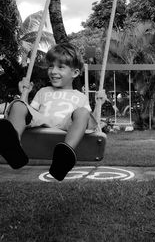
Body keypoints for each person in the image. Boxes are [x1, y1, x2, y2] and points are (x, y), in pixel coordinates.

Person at [0, 43, 106, 181]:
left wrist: (98, 104)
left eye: (60, 67)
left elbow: (93, 125)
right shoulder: (43, 91)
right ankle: (14, 146)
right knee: (19, 105)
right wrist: (24, 93)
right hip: (43, 122)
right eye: (51, 66)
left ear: (75, 73)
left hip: (66, 125)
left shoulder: (80, 96)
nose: (53, 71)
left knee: (83, 112)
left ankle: (65, 154)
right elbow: (28, 112)